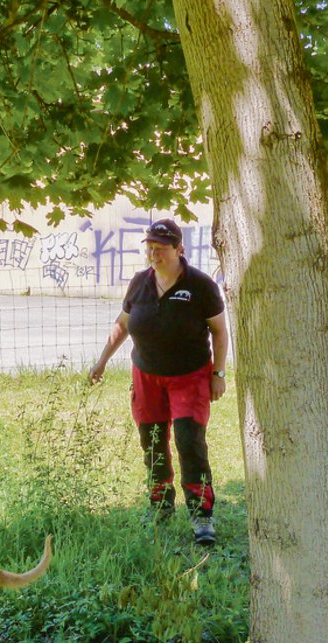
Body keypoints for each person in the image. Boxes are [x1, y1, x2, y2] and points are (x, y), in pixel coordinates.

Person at [89, 219, 229, 546]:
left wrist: (218, 374)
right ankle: (160, 505)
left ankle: (201, 515)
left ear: (179, 249)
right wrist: (102, 360)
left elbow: (220, 332)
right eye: (150, 247)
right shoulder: (140, 283)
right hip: (146, 376)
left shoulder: (201, 285)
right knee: (152, 442)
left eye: (161, 248)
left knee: (188, 441)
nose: (154, 253)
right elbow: (122, 325)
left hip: (189, 376)